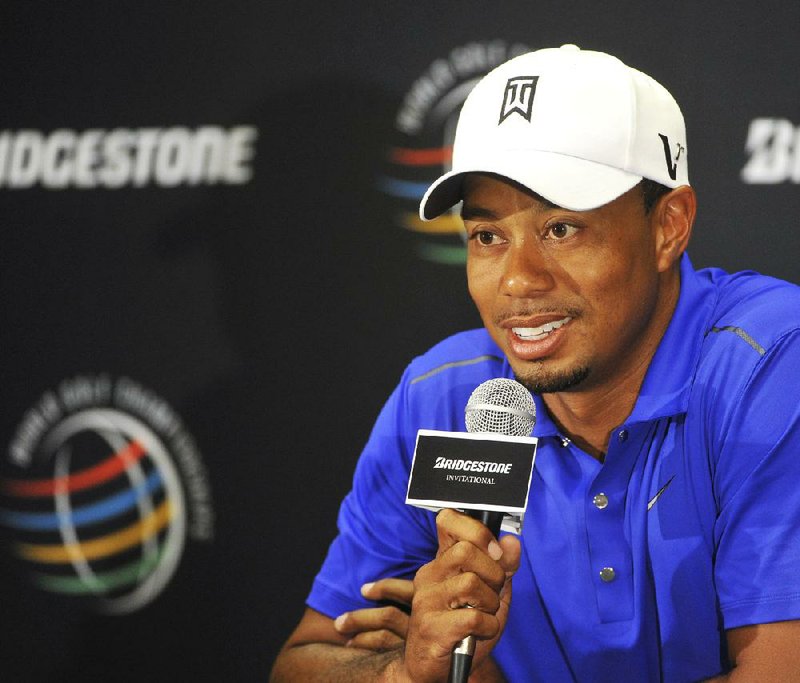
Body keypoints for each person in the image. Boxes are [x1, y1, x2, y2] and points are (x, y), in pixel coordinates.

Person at [269, 44, 800, 681]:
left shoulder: (769, 364)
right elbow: (302, 664)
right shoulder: (446, 397)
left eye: (561, 229)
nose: (517, 282)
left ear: (669, 226)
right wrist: (408, 673)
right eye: (488, 237)